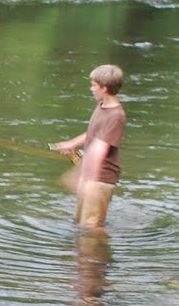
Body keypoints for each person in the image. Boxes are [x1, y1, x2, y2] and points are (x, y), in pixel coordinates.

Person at [50, 64, 126, 229]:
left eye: (93, 85)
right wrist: (72, 143)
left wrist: (87, 181)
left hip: (99, 179)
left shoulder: (116, 116)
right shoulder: (102, 105)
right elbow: (93, 133)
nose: (91, 89)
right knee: (80, 223)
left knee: (91, 229)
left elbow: (100, 150)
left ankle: (98, 247)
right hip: (91, 175)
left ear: (104, 88)